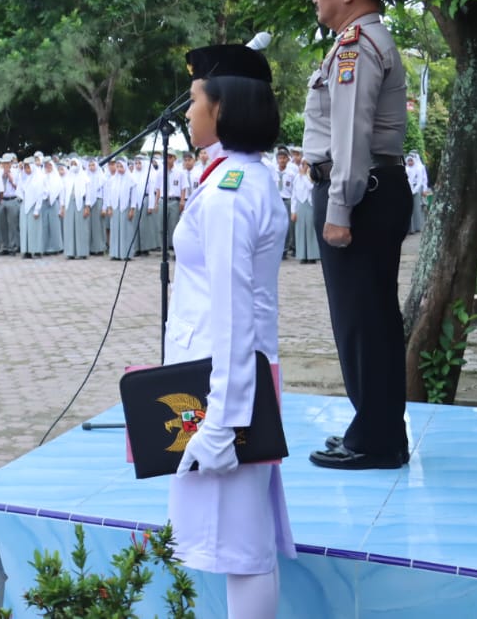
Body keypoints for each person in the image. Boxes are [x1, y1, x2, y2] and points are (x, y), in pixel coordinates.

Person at [167, 42, 294, 619]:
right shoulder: (242, 176)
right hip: (231, 379)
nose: (188, 113)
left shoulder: (229, 193)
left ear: (222, 109)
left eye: (195, 100)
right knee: (240, 541)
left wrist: (221, 422)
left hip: (226, 386)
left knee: (240, 546)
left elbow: (234, 314)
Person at [297, 0, 411, 470]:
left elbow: (350, 136)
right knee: (373, 319)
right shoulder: (359, 41)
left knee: (361, 321)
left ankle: (374, 438)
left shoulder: (356, 45)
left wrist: (338, 209)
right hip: (373, 191)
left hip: (359, 196)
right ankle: (380, 431)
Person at [290, 160, 320, 263]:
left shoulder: (311, 175)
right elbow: (293, 195)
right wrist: (293, 211)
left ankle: (312, 255)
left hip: (310, 204)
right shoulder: (297, 178)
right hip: (300, 205)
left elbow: (311, 187)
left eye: (305, 164)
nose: (303, 166)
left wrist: (304, 176)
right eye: (302, 164)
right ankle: (302, 255)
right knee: (300, 230)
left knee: (311, 230)